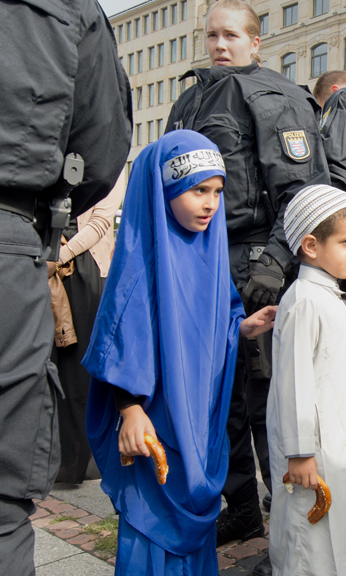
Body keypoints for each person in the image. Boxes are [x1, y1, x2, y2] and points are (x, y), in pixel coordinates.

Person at [166, 0, 330, 546]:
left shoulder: (275, 97)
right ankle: (240, 506)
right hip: (202, 263)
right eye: (212, 35)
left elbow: (301, 192)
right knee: (220, 395)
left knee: (266, 401)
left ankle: (286, 517)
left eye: (232, 35)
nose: (220, 44)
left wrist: (277, 262)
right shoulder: (189, 99)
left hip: (257, 259)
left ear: (256, 42)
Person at [83, 130, 276, 576]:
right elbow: (118, 344)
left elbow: (214, 322)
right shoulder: (141, 262)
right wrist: (129, 410)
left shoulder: (210, 256)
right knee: (153, 532)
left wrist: (241, 328)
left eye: (217, 191)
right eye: (196, 191)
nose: (210, 203)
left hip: (200, 424)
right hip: (157, 424)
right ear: (165, 190)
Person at [0, 0, 131, 570]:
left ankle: (74, 460)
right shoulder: (68, 9)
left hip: (55, 261)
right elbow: (101, 145)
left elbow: (102, 200)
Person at [267, 184, 346, 576]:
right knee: (314, 541)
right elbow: (293, 381)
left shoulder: (328, 296)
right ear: (311, 245)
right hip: (315, 450)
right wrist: (300, 450)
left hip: (342, 441)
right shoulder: (305, 300)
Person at [49, 170, 126, 485]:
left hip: (82, 267)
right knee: (49, 363)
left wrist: (60, 254)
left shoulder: (112, 162)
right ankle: (54, 456)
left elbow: (101, 221)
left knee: (78, 369)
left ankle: (79, 461)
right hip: (48, 262)